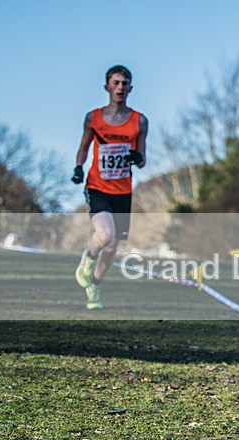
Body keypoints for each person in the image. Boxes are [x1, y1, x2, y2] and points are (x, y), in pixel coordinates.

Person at [72, 65, 148, 310]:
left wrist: (137, 158)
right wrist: (78, 167)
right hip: (97, 185)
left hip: (123, 191)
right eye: (115, 83)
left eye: (124, 84)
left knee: (114, 245)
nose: (120, 88)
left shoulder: (139, 121)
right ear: (106, 87)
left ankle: (94, 284)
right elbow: (84, 146)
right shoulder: (93, 118)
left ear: (131, 88)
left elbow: (142, 158)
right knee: (105, 235)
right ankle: (89, 257)